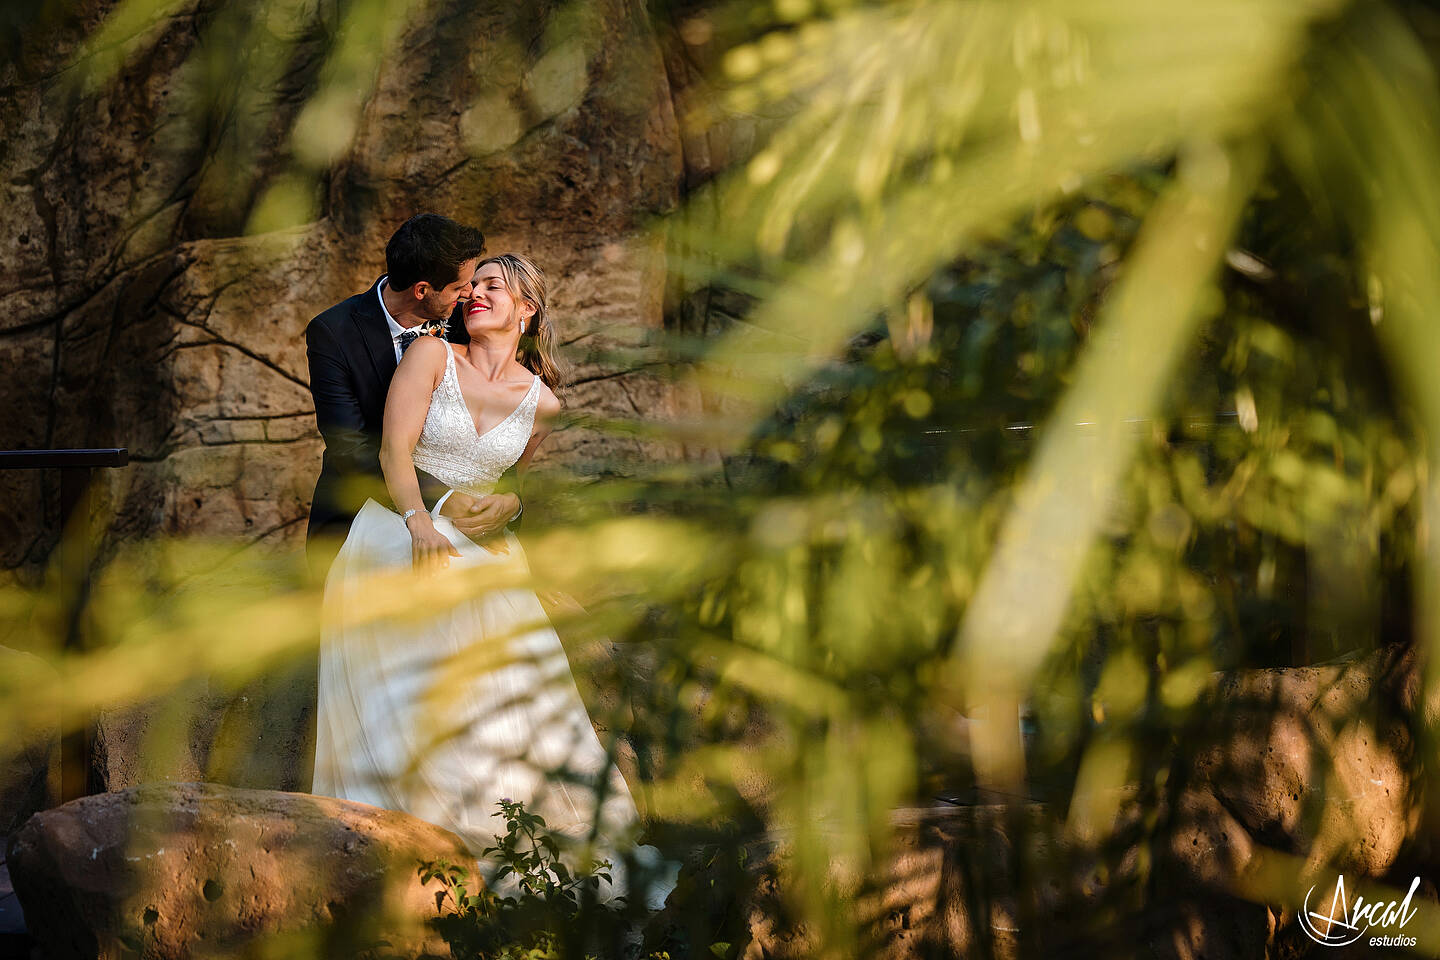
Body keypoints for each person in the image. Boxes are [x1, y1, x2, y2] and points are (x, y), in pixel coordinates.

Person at [312, 253, 676, 908]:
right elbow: (393, 452)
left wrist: (511, 506)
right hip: (396, 529)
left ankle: (522, 843)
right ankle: (426, 837)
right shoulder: (429, 356)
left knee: (525, 688)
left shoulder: (545, 403)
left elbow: (509, 485)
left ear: (526, 308)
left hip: (487, 549)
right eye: (472, 285)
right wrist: (420, 523)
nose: (474, 294)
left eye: (492, 286)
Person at [305, 213, 521, 573]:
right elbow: (351, 447)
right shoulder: (333, 332)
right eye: (459, 287)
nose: (470, 294)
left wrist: (514, 502)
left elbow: (506, 429)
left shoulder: (468, 323)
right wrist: (440, 501)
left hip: (469, 525)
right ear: (422, 290)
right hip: (360, 513)